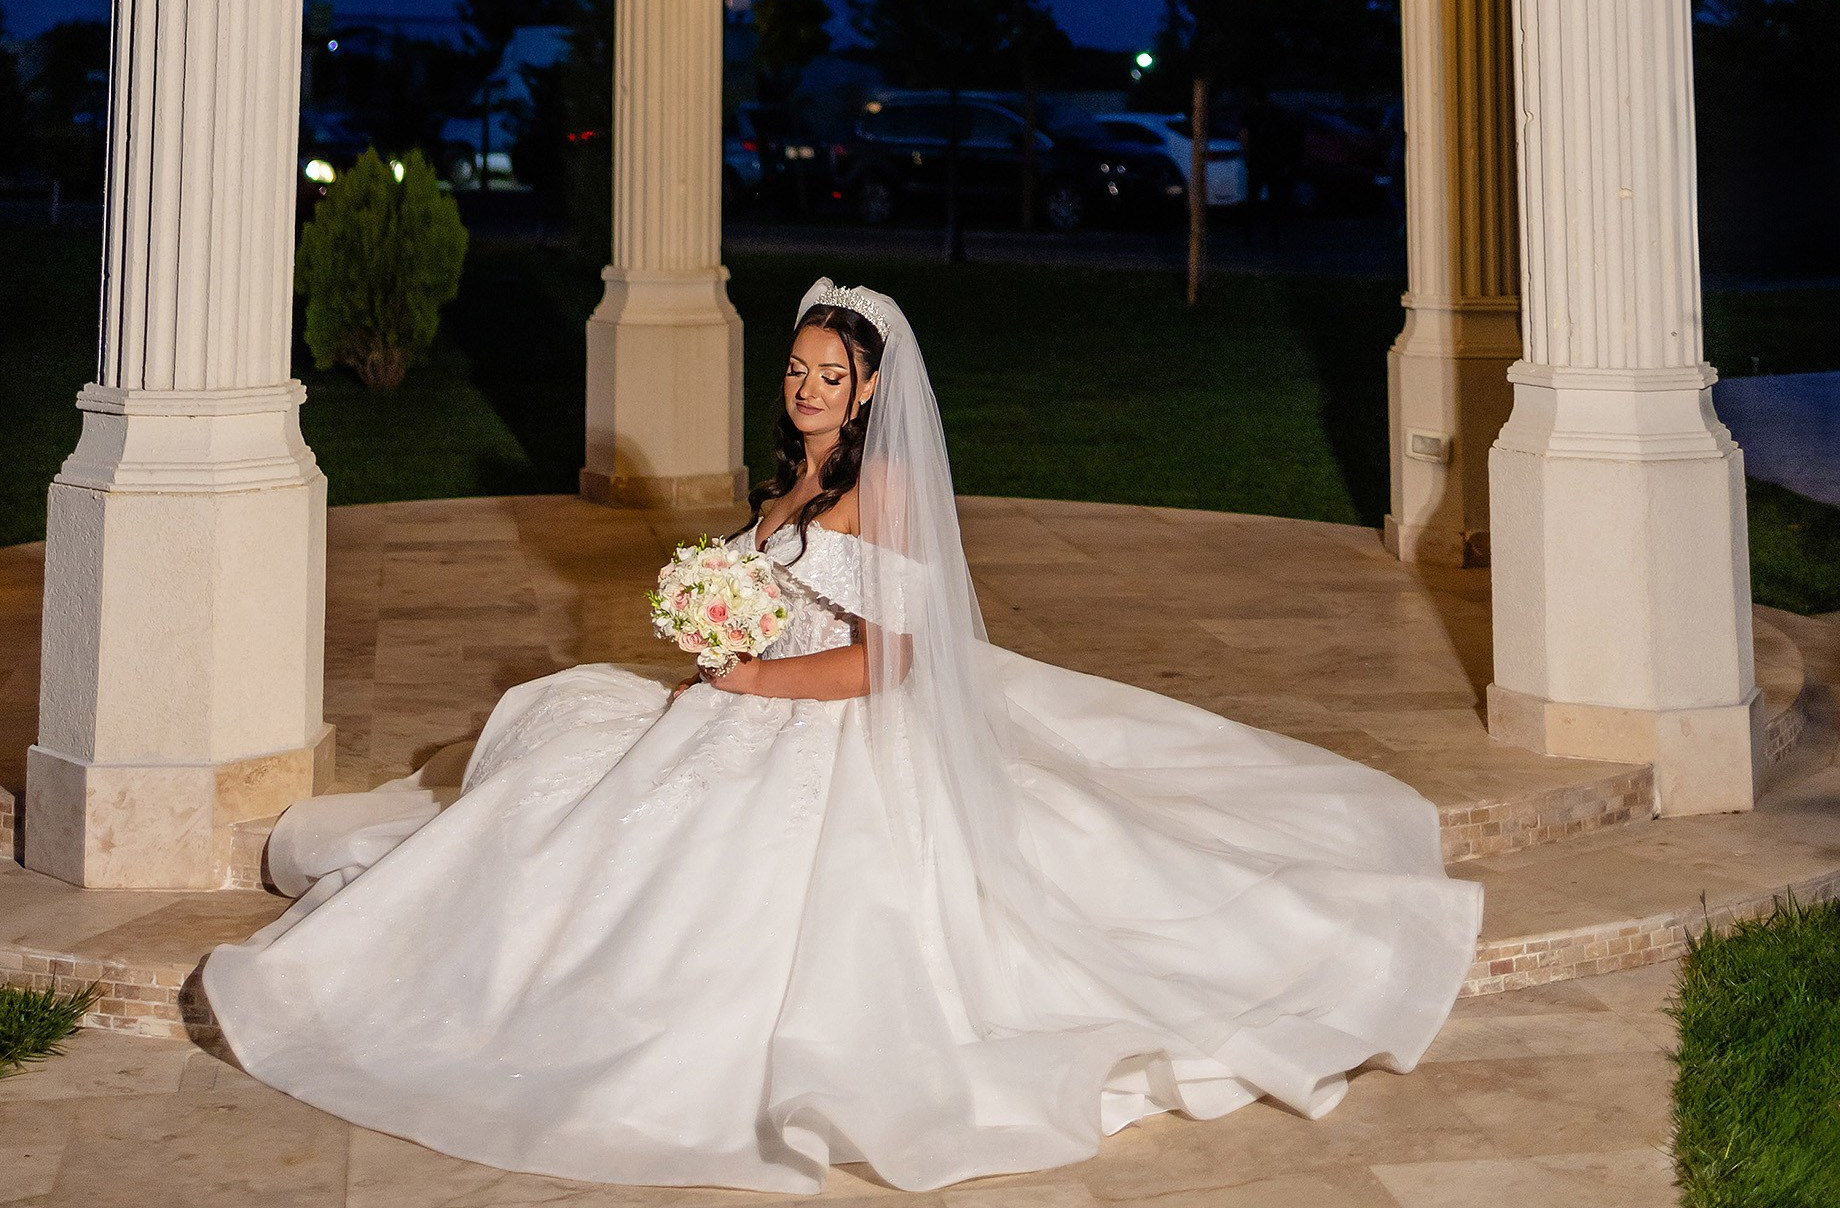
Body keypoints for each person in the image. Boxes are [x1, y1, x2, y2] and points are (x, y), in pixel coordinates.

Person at [204, 278, 1481, 1191]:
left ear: (871, 387)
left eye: (829, 375)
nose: (807, 390)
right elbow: (775, 598)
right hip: (751, 692)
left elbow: (894, 660)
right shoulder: (794, 483)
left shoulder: (878, 495)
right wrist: (719, 635)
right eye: (797, 371)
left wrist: (754, 687)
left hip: (827, 722)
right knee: (563, 752)